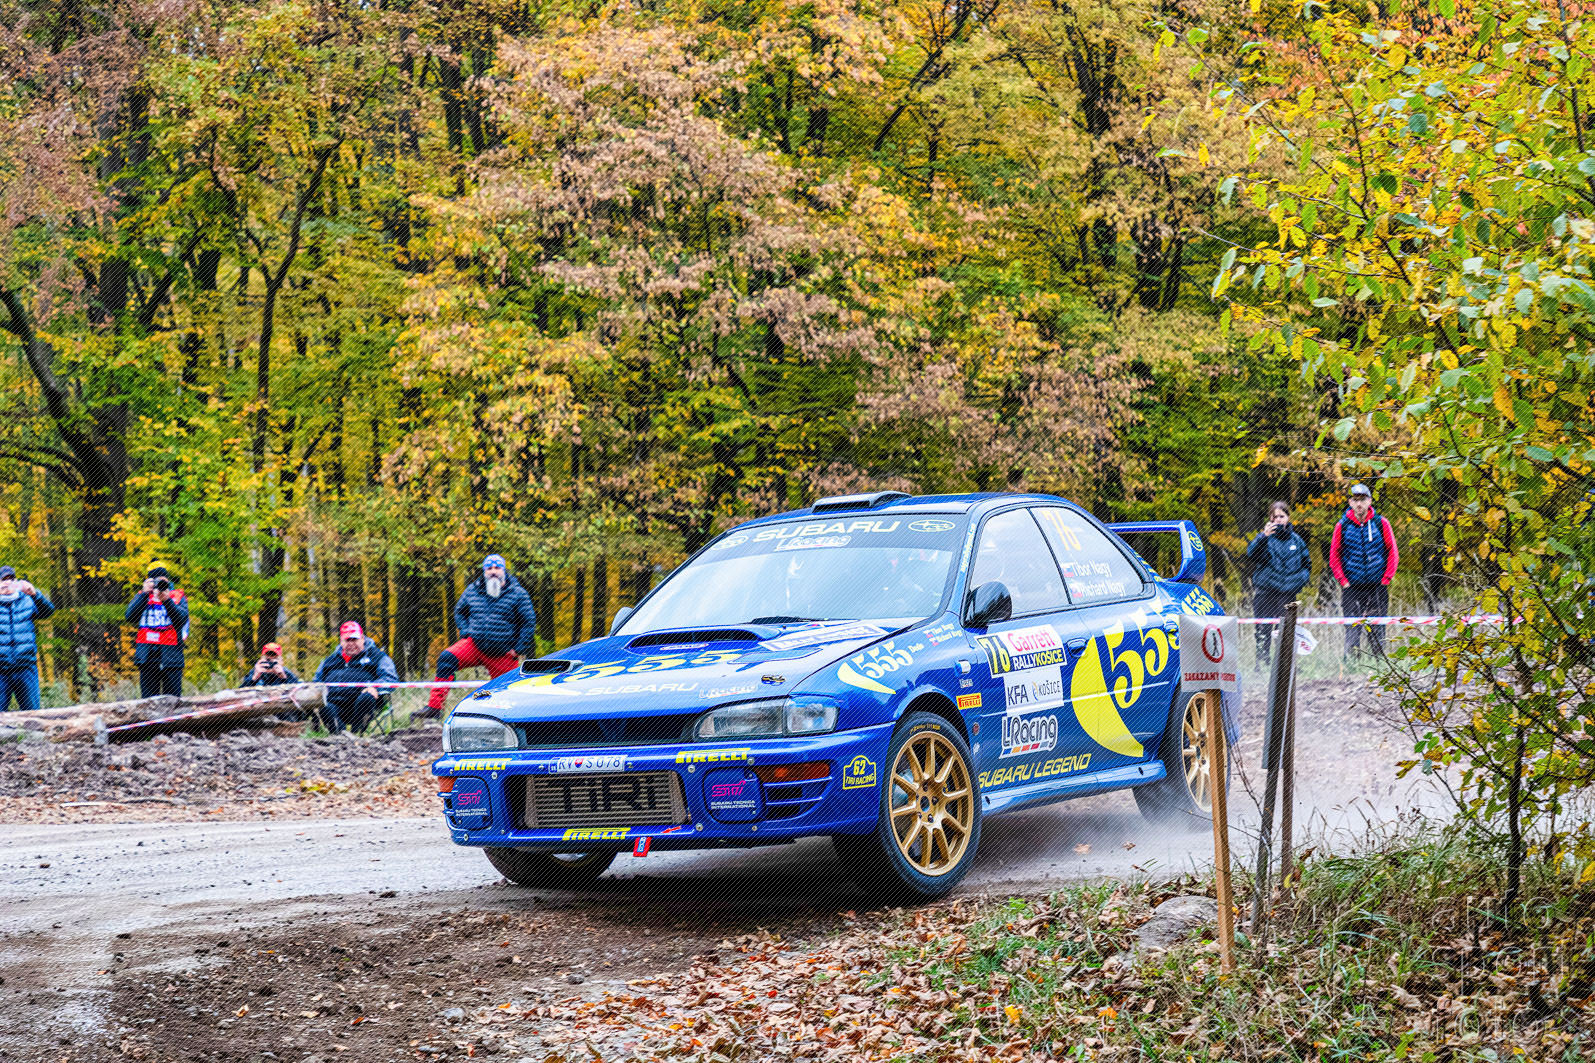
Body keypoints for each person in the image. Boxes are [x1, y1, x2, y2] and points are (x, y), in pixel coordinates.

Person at [420, 553, 537, 719]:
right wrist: (465, 632)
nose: (493, 571)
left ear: (504, 570)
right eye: (489, 568)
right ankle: (434, 708)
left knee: (509, 693)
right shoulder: (473, 590)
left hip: (503, 652)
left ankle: (507, 721)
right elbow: (459, 611)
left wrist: (518, 649)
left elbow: (529, 622)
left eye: (497, 568)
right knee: (446, 658)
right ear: (484, 571)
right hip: (474, 646)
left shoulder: (518, 593)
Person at [1329, 483, 1399, 656]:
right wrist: (1343, 582)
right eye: (1355, 500)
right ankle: (1351, 665)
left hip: (1377, 587)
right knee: (1352, 632)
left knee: (1377, 633)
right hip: (1352, 588)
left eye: (1362, 499)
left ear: (1369, 501)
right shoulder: (1342, 525)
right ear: (1350, 502)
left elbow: (1392, 551)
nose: (1359, 504)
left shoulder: (1381, 523)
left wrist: (1386, 579)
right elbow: (1334, 556)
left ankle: (1379, 664)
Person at [1246, 501, 1311, 658]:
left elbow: (1307, 564)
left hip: (1287, 595)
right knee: (1263, 631)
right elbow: (1251, 554)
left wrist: (1298, 581)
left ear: (1288, 517)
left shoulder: (1297, 541)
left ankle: (1285, 665)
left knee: (1286, 632)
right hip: (1265, 593)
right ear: (1271, 518)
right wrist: (1263, 536)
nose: (1279, 520)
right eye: (1275, 517)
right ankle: (1262, 663)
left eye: (1282, 516)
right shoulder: (1265, 538)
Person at [312, 621, 399, 734]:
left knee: (366, 698)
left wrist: (376, 688)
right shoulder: (329, 661)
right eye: (347, 640)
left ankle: (356, 734)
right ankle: (341, 737)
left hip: (363, 703)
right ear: (341, 641)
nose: (351, 643)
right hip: (334, 703)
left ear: (362, 638)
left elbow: (390, 678)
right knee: (323, 705)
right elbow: (316, 682)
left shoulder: (378, 656)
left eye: (354, 639)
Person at [125, 565, 188, 697]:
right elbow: (130, 617)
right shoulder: (142, 596)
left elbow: (181, 620)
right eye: (156, 582)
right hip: (147, 656)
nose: (160, 585)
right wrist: (144, 594)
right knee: (148, 701)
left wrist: (167, 600)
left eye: (163, 582)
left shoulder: (177, 596)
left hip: (171, 657)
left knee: (173, 701)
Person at [0, 565, 56, 712]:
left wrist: (35, 594)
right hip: (1, 671)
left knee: (33, 714)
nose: (7, 583)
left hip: (26, 668)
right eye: (4, 580)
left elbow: (48, 611)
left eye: (11, 579)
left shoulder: (26, 599)